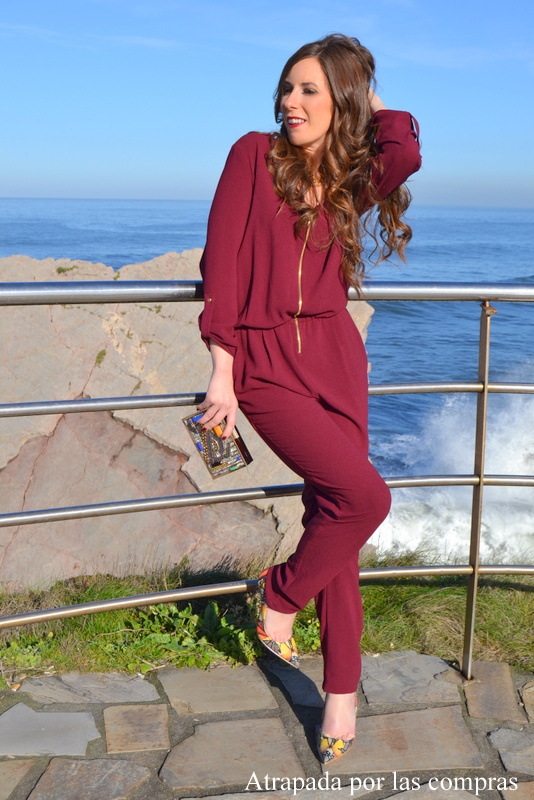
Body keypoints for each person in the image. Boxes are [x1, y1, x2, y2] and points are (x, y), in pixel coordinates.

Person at [197, 33, 421, 763]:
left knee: (336, 515)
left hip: (336, 358)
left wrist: (364, 89)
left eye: (310, 91)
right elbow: (221, 260)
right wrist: (222, 367)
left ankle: (342, 693)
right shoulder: (252, 155)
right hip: (264, 364)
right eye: (288, 88)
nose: (291, 102)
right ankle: (281, 594)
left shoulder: (351, 176)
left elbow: (404, 149)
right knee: (365, 498)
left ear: (341, 102)